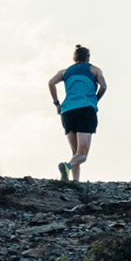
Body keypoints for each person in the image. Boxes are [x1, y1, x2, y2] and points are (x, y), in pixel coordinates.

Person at [47, 45, 106, 181]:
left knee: (75, 153)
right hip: (85, 110)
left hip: (67, 112)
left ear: (74, 58)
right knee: (82, 155)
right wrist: (95, 100)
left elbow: (51, 83)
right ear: (87, 57)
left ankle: (75, 182)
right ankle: (67, 166)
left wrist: (57, 103)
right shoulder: (94, 69)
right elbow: (103, 86)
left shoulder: (65, 72)